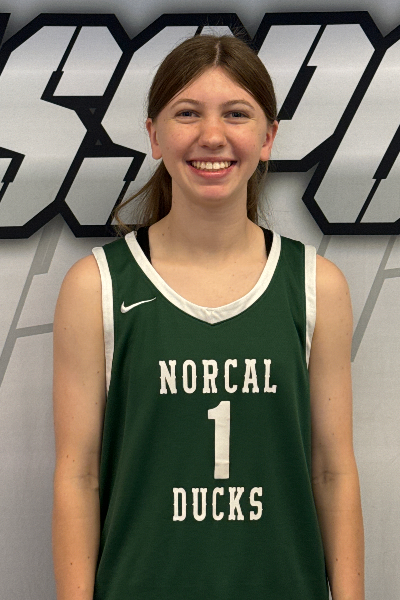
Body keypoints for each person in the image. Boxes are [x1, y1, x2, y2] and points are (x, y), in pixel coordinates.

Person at [52, 34, 364, 600]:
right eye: (188, 113)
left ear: (268, 138)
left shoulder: (315, 285)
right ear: (154, 135)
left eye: (236, 114)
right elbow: (80, 475)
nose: (212, 136)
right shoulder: (95, 285)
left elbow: (331, 470)